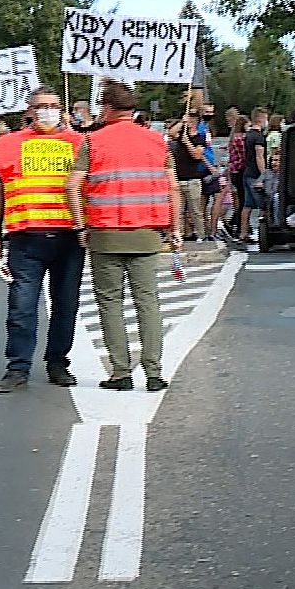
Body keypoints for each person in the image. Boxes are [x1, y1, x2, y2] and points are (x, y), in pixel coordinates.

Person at [65, 79, 182, 392]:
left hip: (105, 234)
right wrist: (176, 228)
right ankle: (154, 374)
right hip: (147, 233)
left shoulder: (93, 141)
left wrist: (80, 226)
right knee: (148, 303)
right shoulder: (158, 142)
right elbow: (172, 187)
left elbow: (72, 187)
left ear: (106, 107)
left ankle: (121, 373)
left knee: (110, 303)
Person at [0, 87, 85, 391]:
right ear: (28, 111)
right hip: (25, 238)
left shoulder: (79, 143)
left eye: (54, 105)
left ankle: (57, 363)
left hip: (69, 238)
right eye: (41, 106)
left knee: (66, 305)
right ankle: (17, 368)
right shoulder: (7, 145)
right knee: (21, 306)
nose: (47, 111)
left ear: (62, 109)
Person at [167, 115, 206, 241]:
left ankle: (201, 234)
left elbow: (197, 155)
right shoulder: (180, 135)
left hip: (192, 180)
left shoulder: (200, 138)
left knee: (195, 210)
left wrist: (187, 142)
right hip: (178, 179)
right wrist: (181, 123)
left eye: (192, 120)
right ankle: (179, 234)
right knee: (178, 211)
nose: (189, 122)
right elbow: (171, 133)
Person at [240, 108, 268, 242]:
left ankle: (243, 233)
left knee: (247, 205)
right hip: (255, 176)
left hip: (247, 173)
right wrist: (264, 175)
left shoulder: (248, 135)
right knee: (263, 205)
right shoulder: (258, 137)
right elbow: (259, 157)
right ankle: (265, 233)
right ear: (261, 119)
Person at [225, 117, 246, 239]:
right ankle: (236, 223)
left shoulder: (233, 137)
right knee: (243, 200)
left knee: (239, 199)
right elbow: (244, 155)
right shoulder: (241, 138)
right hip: (241, 171)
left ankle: (235, 222)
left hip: (234, 171)